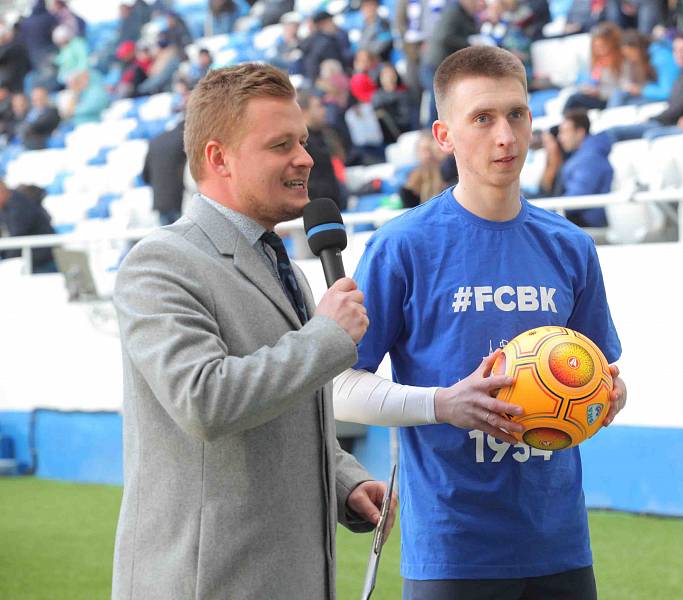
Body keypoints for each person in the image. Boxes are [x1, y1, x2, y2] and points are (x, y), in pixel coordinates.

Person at [333, 46, 627, 599]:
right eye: (482, 119)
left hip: (559, 543)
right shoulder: (403, 246)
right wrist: (443, 404)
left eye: (516, 114)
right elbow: (338, 387)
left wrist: (610, 395)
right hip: (452, 549)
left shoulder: (570, 246)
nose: (505, 137)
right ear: (444, 136)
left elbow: (600, 372)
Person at [111, 62, 395, 600]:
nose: (305, 158)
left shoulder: (281, 266)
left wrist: (344, 482)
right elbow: (204, 401)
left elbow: (285, 412)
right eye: (280, 145)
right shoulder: (161, 263)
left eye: (302, 141)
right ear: (219, 158)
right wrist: (327, 337)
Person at [597, 31, 683, 143]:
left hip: (668, 124)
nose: (680, 55)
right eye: (676, 50)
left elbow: (681, 108)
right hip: (664, 121)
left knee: (613, 132)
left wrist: (653, 118)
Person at [540, 109, 613, 227]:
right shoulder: (583, 155)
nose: (560, 138)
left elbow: (577, 197)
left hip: (583, 223)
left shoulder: (590, 158)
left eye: (564, 132)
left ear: (580, 132)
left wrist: (546, 212)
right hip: (575, 218)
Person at [0, 181, 56, 273]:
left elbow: (17, 235)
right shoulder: (7, 206)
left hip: (41, 261)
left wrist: (7, 259)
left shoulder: (19, 204)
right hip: (31, 259)